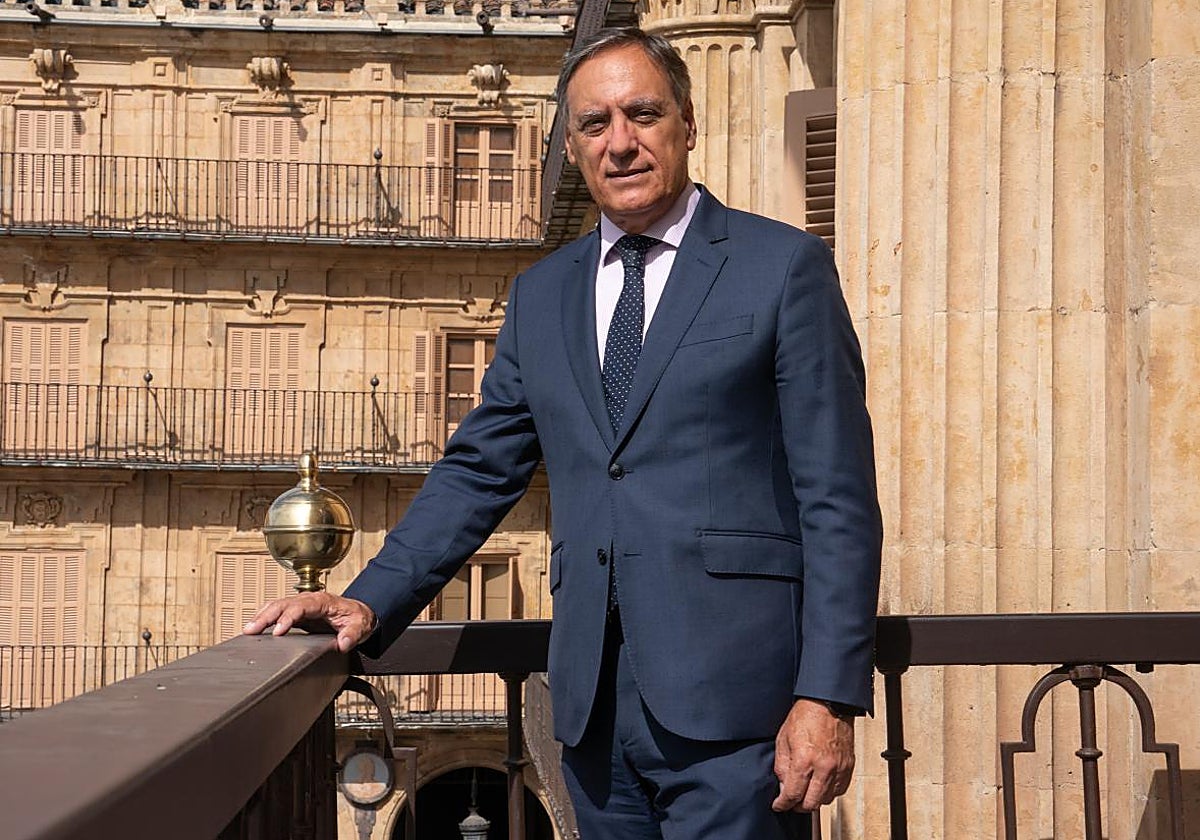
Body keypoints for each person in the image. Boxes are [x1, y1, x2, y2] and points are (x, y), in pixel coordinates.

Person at [245, 27, 882, 840]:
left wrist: (827, 694)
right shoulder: (542, 295)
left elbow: (838, 498)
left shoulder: (781, 267)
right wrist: (369, 599)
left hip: (741, 713)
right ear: (573, 146)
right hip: (591, 716)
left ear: (687, 122)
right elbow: (479, 470)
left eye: (642, 114)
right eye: (594, 124)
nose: (620, 142)